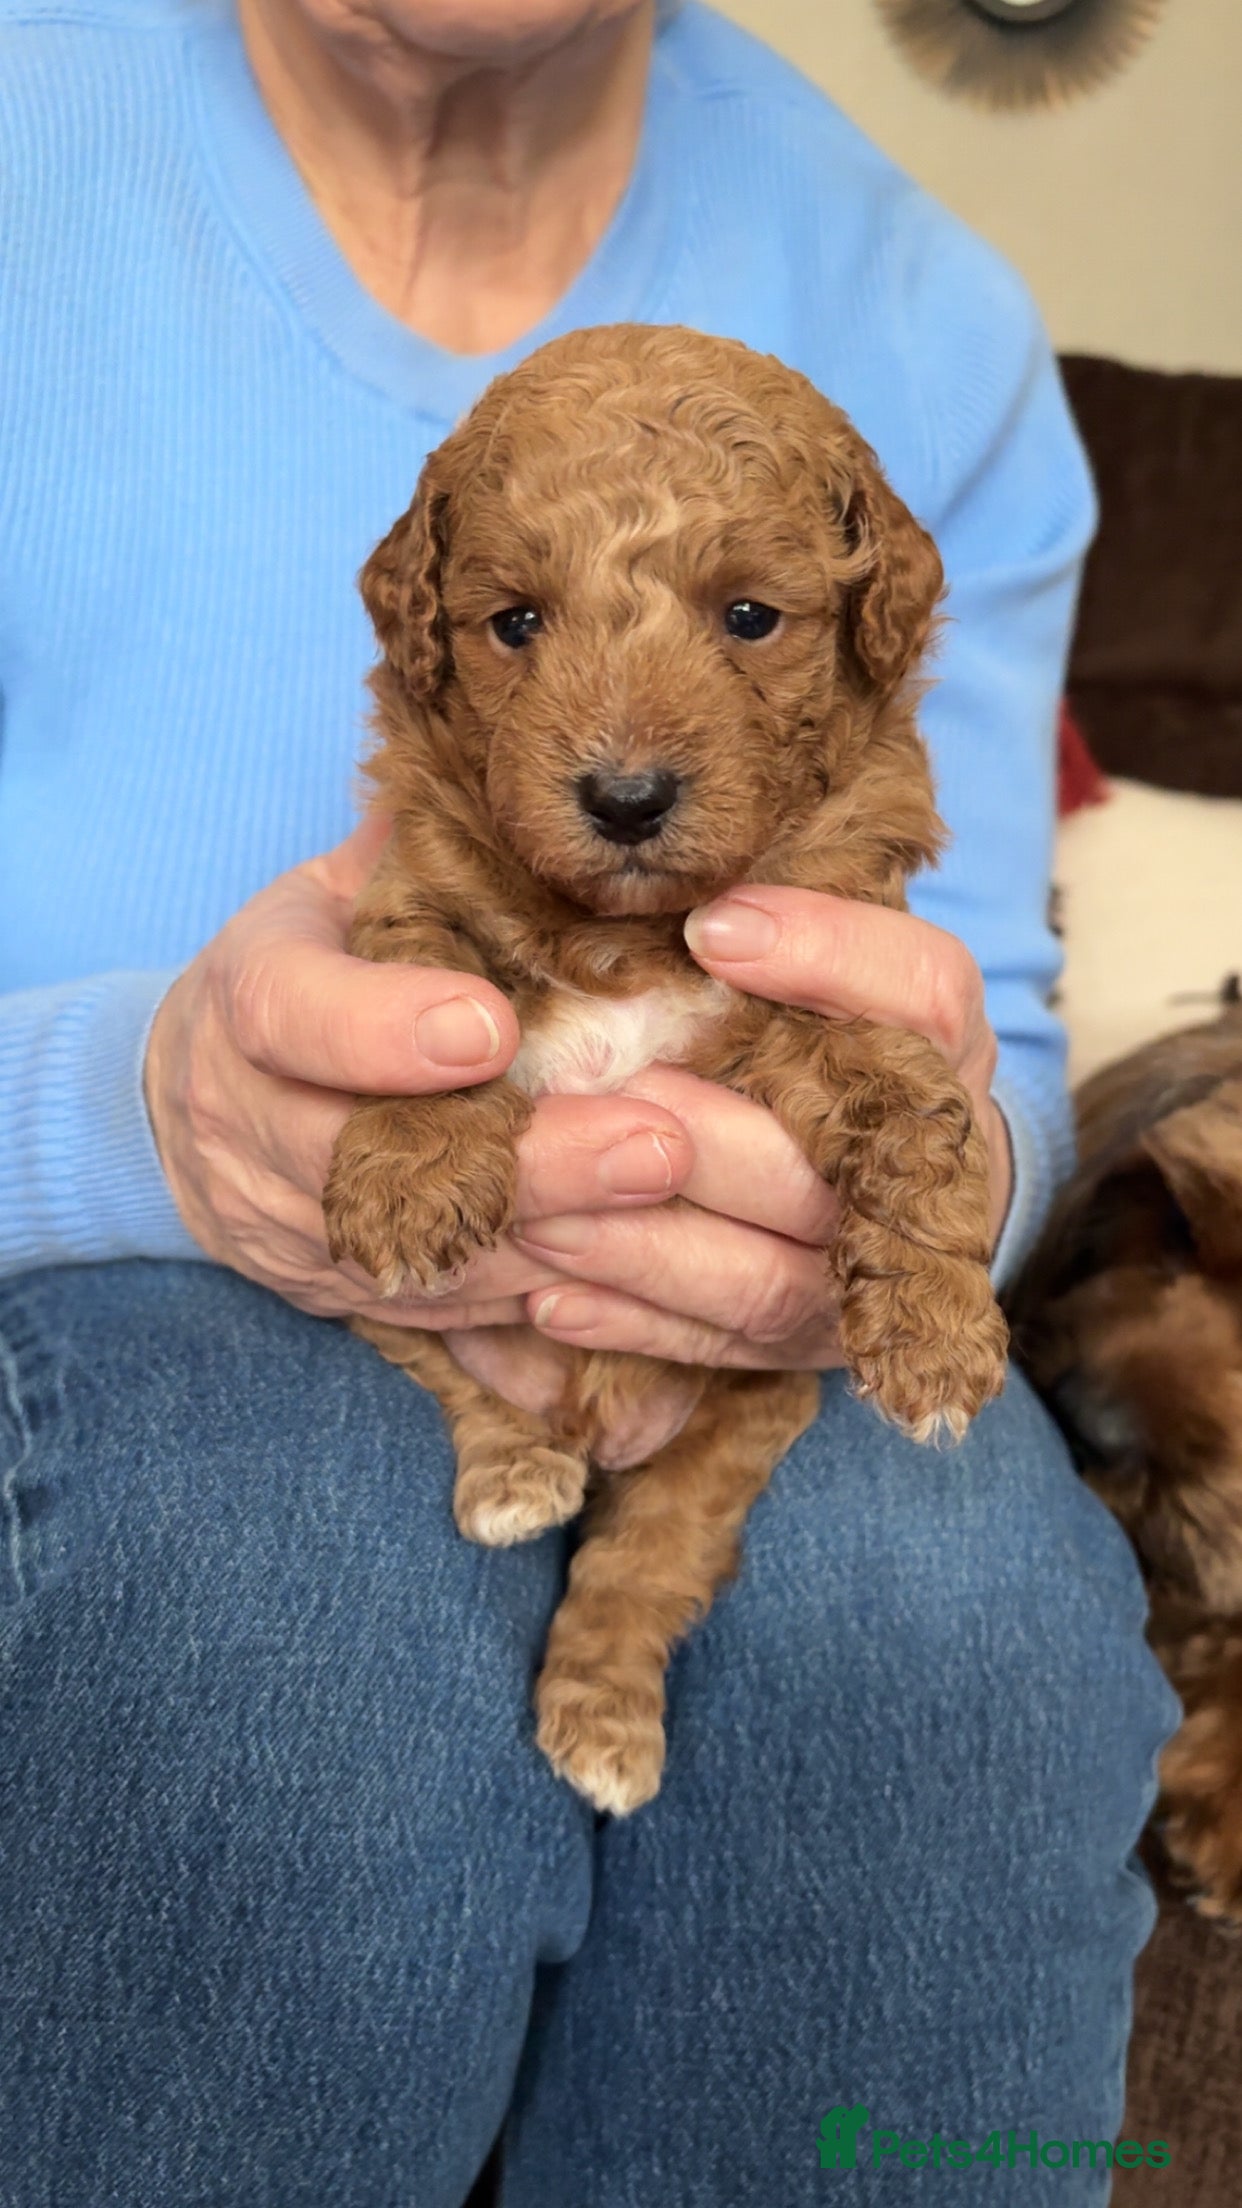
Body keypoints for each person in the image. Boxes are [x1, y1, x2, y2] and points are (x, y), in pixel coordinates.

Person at [0, 0, 1176, 2201]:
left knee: (970, 1625)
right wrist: (125, 1109)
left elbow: (981, 1017)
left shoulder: (922, 317)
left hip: (711, 1307)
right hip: (71, 1280)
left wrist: (864, 1181)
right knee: (271, 1575)